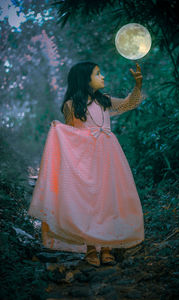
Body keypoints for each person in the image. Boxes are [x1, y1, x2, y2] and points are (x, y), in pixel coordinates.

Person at [28, 61, 145, 267]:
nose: (102, 77)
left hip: (110, 157)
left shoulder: (105, 101)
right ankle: (91, 247)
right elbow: (72, 135)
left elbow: (129, 103)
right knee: (90, 201)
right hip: (87, 159)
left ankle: (107, 247)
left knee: (108, 199)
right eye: (97, 74)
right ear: (85, 79)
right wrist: (59, 130)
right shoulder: (72, 105)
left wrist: (137, 86)